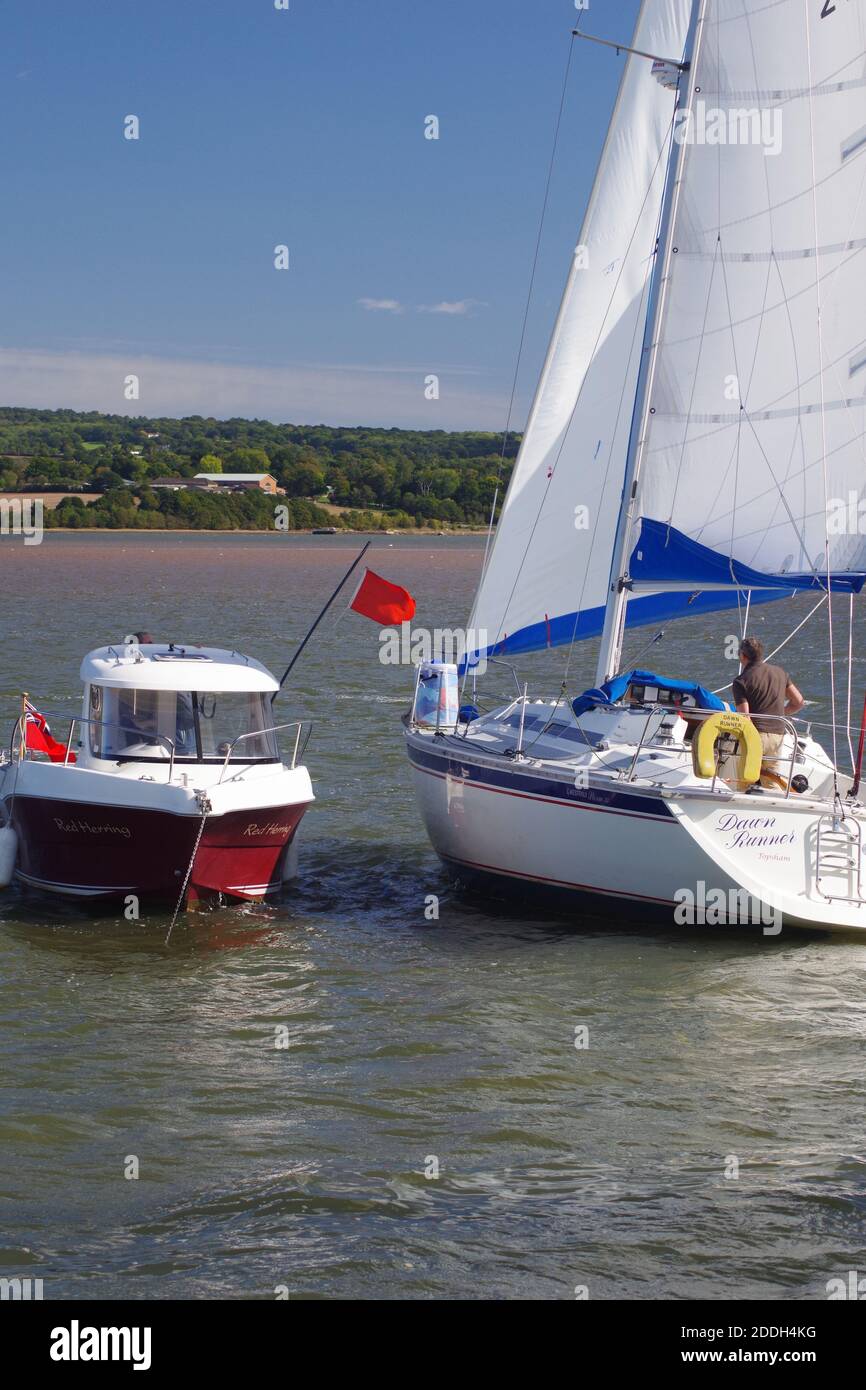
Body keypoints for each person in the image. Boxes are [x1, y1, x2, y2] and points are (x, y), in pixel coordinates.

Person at [732, 637, 804, 776]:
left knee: (745, 779)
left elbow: (745, 717)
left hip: (757, 734)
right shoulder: (780, 673)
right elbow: (799, 702)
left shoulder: (741, 681)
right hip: (778, 734)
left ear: (742, 655)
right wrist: (779, 713)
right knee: (771, 780)